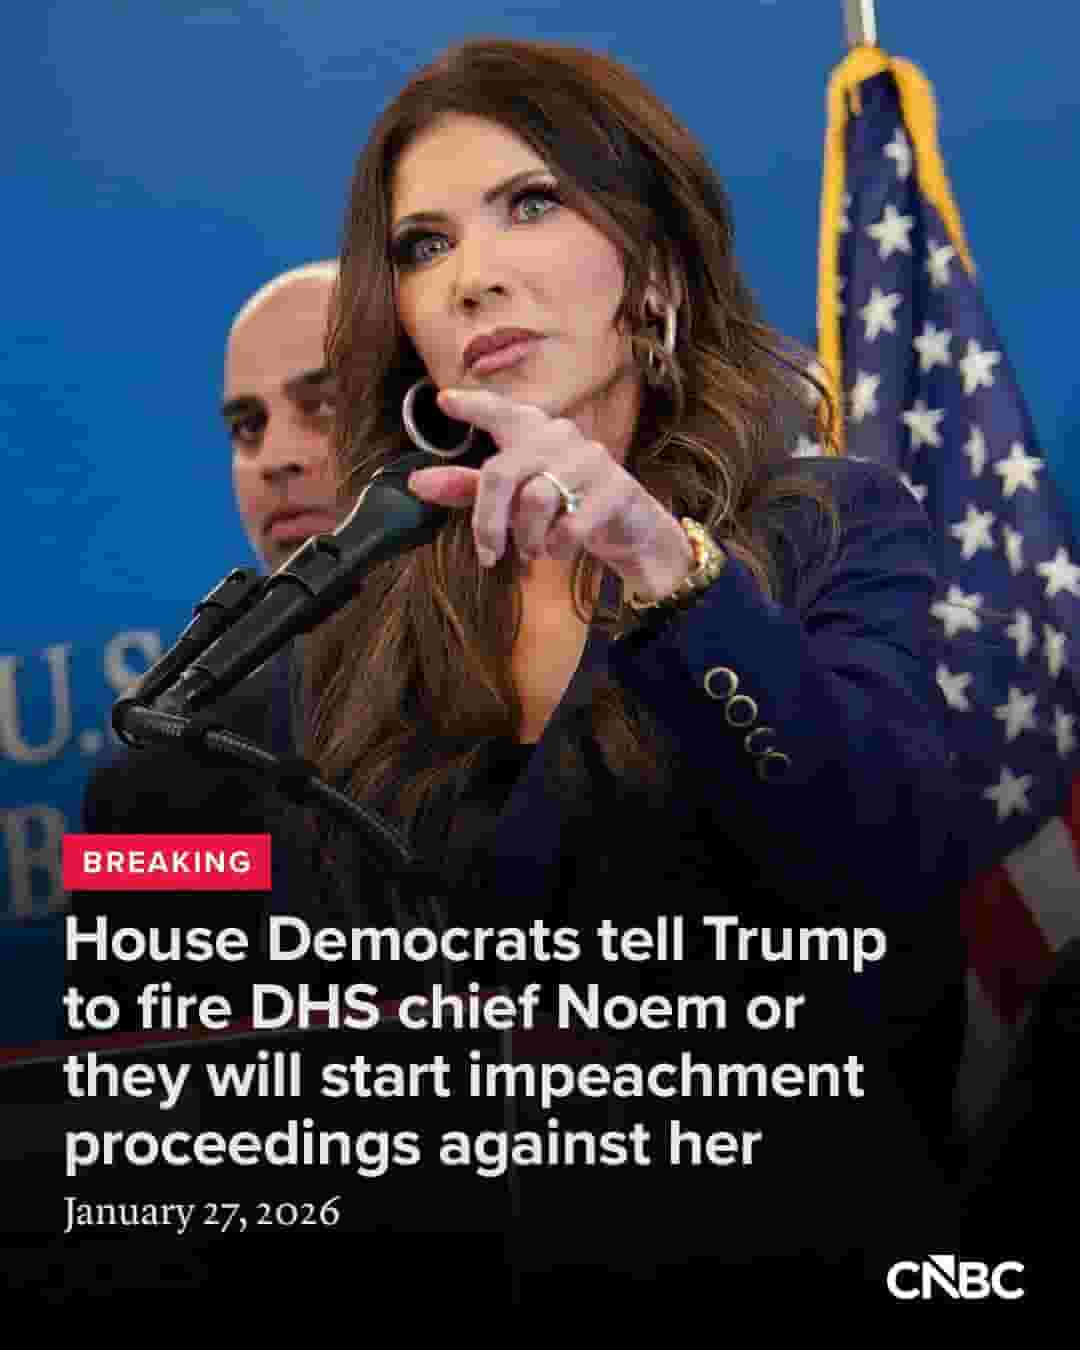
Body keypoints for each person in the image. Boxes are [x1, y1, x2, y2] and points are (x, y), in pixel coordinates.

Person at [260, 38, 968, 1311]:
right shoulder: (359, 620)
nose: (472, 275)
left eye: (531, 204)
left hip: (788, 1262)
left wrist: (662, 566)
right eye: (423, 245)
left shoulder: (827, 528)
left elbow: (884, 866)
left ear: (656, 265)